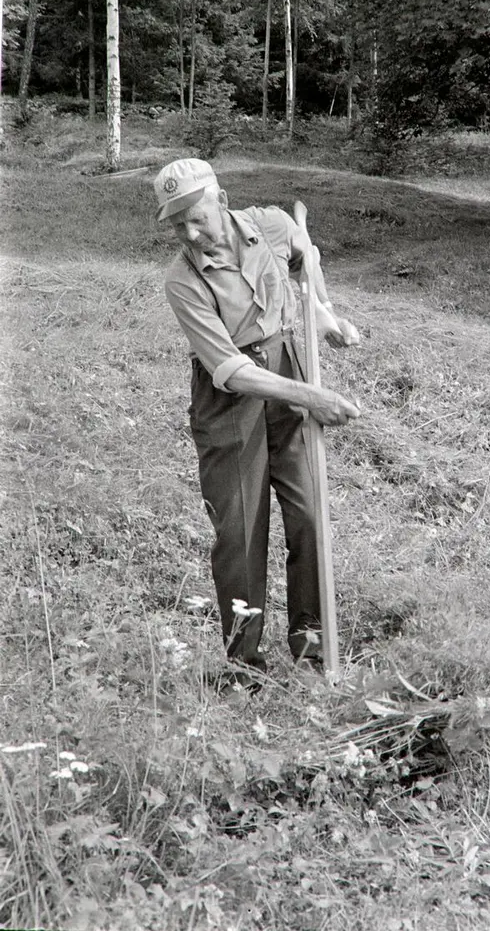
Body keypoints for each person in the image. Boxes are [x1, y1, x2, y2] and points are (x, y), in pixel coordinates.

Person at [153, 158, 361, 685]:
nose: (189, 232)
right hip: (231, 399)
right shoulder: (183, 278)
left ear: (221, 201)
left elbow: (303, 258)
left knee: (310, 514)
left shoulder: (269, 224)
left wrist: (323, 314)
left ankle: (313, 647)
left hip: (287, 366)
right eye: (177, 223)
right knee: (241, 532)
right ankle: (244, 664)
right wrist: (313, 395)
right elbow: (230, 370)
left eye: (195, 217)